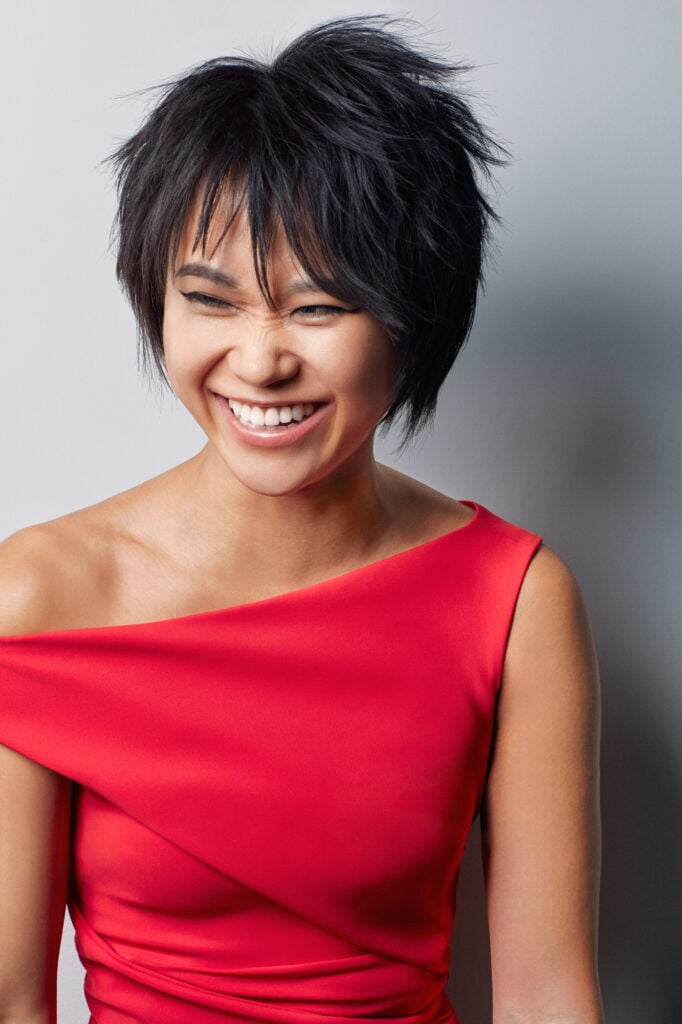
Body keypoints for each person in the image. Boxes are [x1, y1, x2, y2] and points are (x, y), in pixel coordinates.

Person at [0, 15, 604, 1024]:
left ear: (412, 312)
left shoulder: (514, 598)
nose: (260, 359)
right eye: (211, 299)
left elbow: (546, 992)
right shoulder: (39, 594)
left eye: (318, 307)